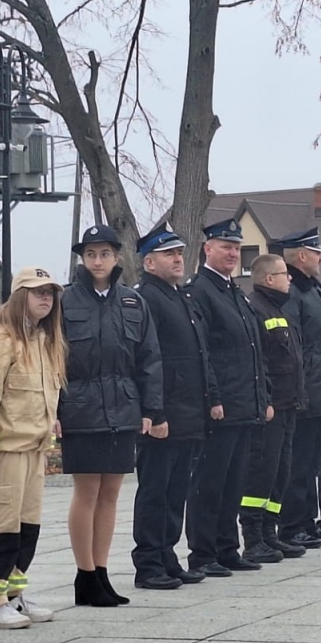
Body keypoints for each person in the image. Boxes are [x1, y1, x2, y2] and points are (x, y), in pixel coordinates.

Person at [60, 225, 164, 607]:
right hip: (81, 408)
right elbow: (53, 361)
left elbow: (149, 359)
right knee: (87, 492)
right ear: (82, 259)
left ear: (117, 258)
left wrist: (151, 409)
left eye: (104, 253)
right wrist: (54, 410)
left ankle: (102, 573)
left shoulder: (133, 303)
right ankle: (84, 574)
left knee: (112, 494)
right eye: (90, 254)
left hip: (123, 406)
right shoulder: (65, 302)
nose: (98, 261)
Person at [0, 266, 64, 628]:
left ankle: (13, 593)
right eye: (37, 291)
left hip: (34, 449)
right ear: (18, 296)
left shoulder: (42, 340)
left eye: (50, 292)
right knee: (0, 529)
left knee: (28, 528)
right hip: (5, 451)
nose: (46, 298)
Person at [131, 224, 218, 590]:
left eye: (180, 253)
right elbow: (147, 360)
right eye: (169, 254)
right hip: (164, 414)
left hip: (188, 413)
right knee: (155, 490)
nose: (178, 259)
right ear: (149, 262)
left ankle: (167, 554)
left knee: (175, 491)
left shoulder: (180, 296)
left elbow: (199, 354)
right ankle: (149, 562)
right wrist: (157, 412)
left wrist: (211, 399)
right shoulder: (145, 298)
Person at [185, 218, 272, 577]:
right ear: (208, 249)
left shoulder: (234, 291)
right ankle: (203, 552)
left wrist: (262, 395)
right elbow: (205, 351)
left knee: (234, 481)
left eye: (236, 248)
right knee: (210, 482)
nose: (233, 254)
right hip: (221, 406)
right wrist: (214, 398)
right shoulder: (201, 291)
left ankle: (226, 547)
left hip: (245, 402)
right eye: (226, 247)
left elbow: (253, 350)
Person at [277, 226, 321, 548]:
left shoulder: (314, 290)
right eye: (317, 252)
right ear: (301, 256)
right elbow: (293, 346)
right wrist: (301, 390)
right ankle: (295, 525)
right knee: (301, 466)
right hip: (307, 393)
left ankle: (316, 520)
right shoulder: (293, 293)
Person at [241, 252, 307, 561]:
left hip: (289, 404)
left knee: (281, 472)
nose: (289, 278)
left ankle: (270, 531)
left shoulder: (281, 308)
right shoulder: (256, 308)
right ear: (269, 279)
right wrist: (265, 400)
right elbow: (260, 363)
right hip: (271, 408)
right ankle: (253, 537)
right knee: (262, 472)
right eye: (284, 274)